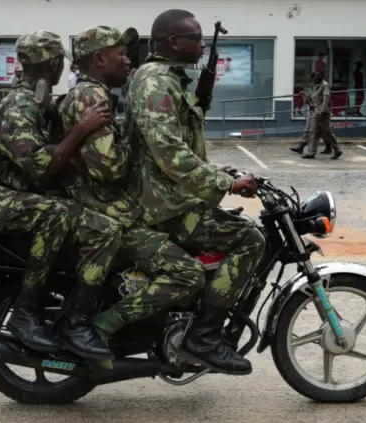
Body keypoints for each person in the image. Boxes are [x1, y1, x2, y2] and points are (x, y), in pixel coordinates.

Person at [126, 9, 265, 376]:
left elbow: (181, 147)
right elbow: (168, 153)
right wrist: (225, 184)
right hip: (165, 207)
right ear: (174, 41)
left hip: (172, 197)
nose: (202, 44)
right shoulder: (155, 82)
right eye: (196, 38)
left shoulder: (170, 80)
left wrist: (221, 173)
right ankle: (203, 337)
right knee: (250, 239)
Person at [58, 25, 207, 361]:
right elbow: (108, 168)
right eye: (121, 54)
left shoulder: (99, 95)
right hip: (106, 211)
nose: (128, 62)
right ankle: (93, 326)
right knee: (187, 273)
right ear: (99, 59)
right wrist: (139, 143)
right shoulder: (89, 97)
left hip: (113, 208)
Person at [0, 30, 122, 360]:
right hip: (11, 196)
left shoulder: (40, 99)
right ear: (53, 64)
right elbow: (41, 166)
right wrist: (81, 129)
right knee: (99, 229)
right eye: (60, 62)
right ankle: (51, 316)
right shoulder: (19, 106)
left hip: (31, 193)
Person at [301, 70, 342, 160]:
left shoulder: (324, 85)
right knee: (314, 132)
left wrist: (322, 111)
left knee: (327, 133)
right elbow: (313, 99)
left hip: (322, 113)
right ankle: (311, 152)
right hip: (316, 112)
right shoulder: (316, 86)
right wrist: (305, 96)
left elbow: (326, 98)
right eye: (315, 76)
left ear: (322, 76)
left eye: (318, 76)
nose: (316, 77)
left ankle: (337, 150)